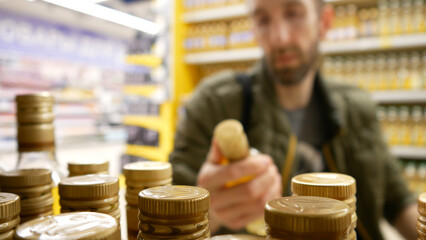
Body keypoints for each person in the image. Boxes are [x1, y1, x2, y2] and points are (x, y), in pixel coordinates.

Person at [169, 0, 419, 239]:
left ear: (324, 21)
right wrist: (209, 210)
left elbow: (397, 201)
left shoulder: (358, 108)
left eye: (293, 13)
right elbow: (167, 225)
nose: (280, 37)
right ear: (254, 29)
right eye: (263, 19)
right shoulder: (214, 104)